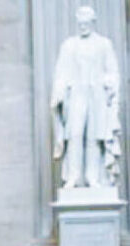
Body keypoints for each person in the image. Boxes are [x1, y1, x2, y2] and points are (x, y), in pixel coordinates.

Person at [51, 5, 121, 188]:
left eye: (86, 23)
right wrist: (59, 91)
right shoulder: (69, 45)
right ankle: (74, 176)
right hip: (75, 95)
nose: (83, 26)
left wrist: (109, 82)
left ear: (93, 22)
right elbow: (61, 72)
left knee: (93, 137)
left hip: (96, 95)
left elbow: (112, 70)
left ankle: (92, 177)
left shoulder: (103, 44)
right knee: (74, 135)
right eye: (80, 23)